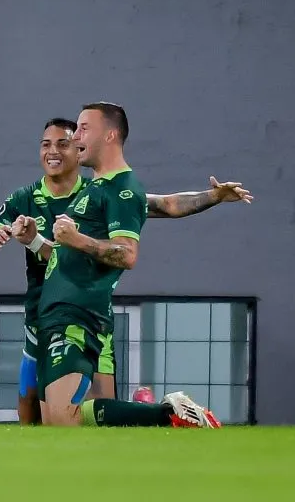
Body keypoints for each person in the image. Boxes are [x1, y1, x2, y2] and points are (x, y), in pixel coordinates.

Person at [0, 117, 254, 424]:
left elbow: (165, 205)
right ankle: (156, 412)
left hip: (84, 311)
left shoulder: (98, 193)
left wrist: (212, 196)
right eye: (45, 145)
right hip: (40, 316)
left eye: (63, 144)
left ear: (78, 150)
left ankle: (162, 415)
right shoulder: (24, 198)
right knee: (40, 419)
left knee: (89, 410)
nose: (53, 152)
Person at [24, 102, 219, 427]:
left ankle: (168, 415)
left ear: (110, 135)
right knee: (55, 426)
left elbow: (127, 253)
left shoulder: (122, 189)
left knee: (63, 417)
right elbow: (167, 205)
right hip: (54, 314)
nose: (76, 135)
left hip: (76, 313)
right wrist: (212, 196)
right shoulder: (98, 187)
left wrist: (76, 239)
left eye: (85, 128)